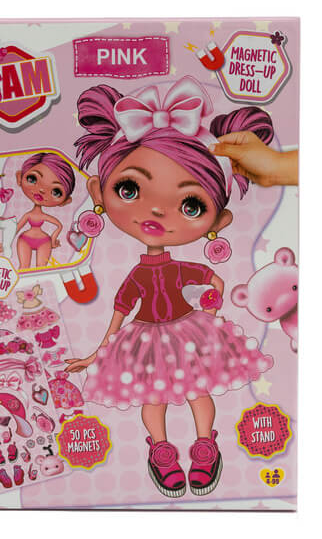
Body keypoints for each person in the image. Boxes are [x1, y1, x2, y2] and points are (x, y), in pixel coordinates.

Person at [65, 77, 274, 498]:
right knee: (153, 397)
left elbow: (212, 279)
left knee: (197, 390)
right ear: (99, 193)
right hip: (145, 337)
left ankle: (205, 446)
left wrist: (211, 305)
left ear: (218, 221)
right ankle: (161, 450)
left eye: (190, 205)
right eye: (130, 189)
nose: (157, 211)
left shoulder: (183, 268)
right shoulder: (137, 276)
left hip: (186, 330)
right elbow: (120, 311)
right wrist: (96, 353)